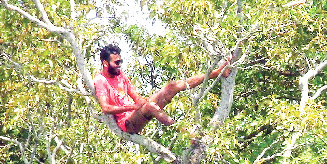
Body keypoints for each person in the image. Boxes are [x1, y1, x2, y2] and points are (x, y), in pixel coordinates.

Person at [93, 43, 230, 135]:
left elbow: (135, 96)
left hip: (136, 111)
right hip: (127, 124)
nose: (119, 65)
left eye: (120, 61)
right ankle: (188, 134)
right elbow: (106, 109)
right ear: (105, 63)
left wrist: (140, 102)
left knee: (172, 87)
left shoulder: (120, 75)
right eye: (116, 62)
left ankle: (217, 72)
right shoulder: (100, 80)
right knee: (152, 106)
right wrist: (134, 107)